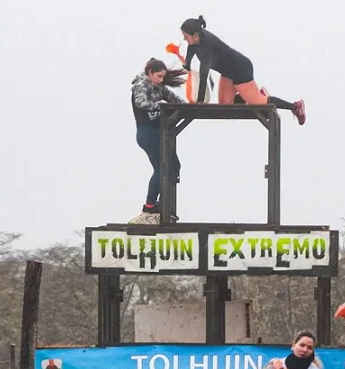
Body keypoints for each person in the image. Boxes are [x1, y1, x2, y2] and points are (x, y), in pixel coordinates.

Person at [180, 16, 307, 125]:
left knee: (257, 102)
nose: (184, 39)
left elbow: (204, 74)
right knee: (225, 106)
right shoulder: (195, 40)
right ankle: (254, 94)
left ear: (195, 35)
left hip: (240, 68)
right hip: (228, 73)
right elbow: (191, 51)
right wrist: (187, 64)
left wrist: (200, 101)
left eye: (186, 36)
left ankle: (295, 106)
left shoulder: (207, 45)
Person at [130, 58, 188, 224]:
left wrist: (187, 106)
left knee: (174, 166)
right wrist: (163, 106)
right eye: (159, 76)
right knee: (162, 168)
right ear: (150, 73)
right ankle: (149, 208)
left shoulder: (159, 87)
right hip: (147, 132)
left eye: (163, 77)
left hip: (158, 133)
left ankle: (163, 204)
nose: (161, 80)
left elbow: (177, 100)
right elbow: (141, 103)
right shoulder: (141, 85)